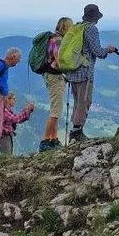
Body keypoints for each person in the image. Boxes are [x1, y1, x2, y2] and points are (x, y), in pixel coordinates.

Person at [64, 3, 117, 143]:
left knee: (77, 101)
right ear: (95, 17)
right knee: (85, 101)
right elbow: (97, 51)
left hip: (72, 72)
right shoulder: (91, 29)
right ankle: (76, 133)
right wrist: (108, 50)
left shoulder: (77, 27)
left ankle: (74, 131)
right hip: (84, 73)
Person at [39, 17, 72, 152]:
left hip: (51, 76)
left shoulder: (53, 38)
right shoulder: (58, 40)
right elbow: (59, 61)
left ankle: (53, 139)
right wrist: (69, 70)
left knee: (56, 109)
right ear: (66, 27)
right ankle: (46, 141)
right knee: (55, 110)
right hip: (55, 77)